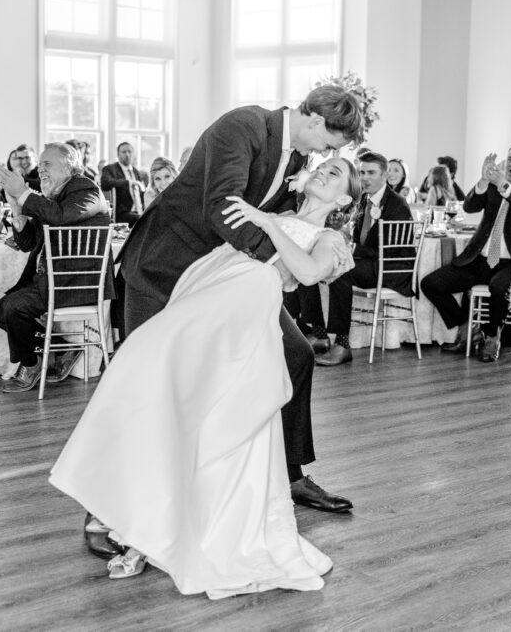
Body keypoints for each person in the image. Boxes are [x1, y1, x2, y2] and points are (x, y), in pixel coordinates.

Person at [50, 156, 361, 596]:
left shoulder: (329, 235)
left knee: (209, 410)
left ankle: (162, 518)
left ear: (344, 198)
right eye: (323, 167)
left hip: (244, 312)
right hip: (214, 302)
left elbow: (308, 274)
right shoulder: (274, 212)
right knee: (149, 369)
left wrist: (267, 225)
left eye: (337, 175)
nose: (325, 173)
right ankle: (133, 505)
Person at [114, 84, 363, 527]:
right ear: (315, 121)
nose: (326, 156)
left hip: (228, 275)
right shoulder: (244, 126)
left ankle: (289, 473)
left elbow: (292, 220)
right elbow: (222, 207)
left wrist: (326, 248)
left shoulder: (300, 157)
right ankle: (108, 509)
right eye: (330, 144)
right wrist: (277, 262)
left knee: (296, 353)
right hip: (165, 264)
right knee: (144, 379)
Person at [0, 143, 113, 393]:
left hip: (77, 281)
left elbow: (60, 217)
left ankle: (31, 364)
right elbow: (27, 243)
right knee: (0, 311)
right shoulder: (54, 196)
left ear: (69, 166)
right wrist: (18, 211)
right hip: (51, 279)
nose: (40, 169)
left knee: (13, 308)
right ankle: (63, 349)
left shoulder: (86, 189)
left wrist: (24, 193)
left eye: (47, 164)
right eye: (41, 164)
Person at [420, 142, 511, 363]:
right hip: (480, 260)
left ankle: (492, 337)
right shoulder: (493, 184)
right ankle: (467, 327)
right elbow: (469, 207)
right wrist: (483, 180)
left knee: (499, 287)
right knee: (431, 283)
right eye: (510, 159)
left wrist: (504, 186)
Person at [297, 151, 414, 366]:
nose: (365, 178)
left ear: (385, 175)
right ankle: (319, 334)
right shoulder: (364, 201)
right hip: (370, 262)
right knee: (313, 262)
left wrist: (353, 249)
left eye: (371, 172)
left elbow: (389, 251)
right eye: (361, 173)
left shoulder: (397, 205)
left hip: (391, 269)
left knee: (341, 270)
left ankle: (342, 345)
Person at [100, 142, 148, 224]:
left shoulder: (136, 172)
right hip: (122, 213)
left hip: (139, 211)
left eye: (130, 152)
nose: (127, 154)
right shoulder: (110, 169)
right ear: (118, 154)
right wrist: (129, 182)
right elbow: (105, 183)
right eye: (124, 152)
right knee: (144, 220)